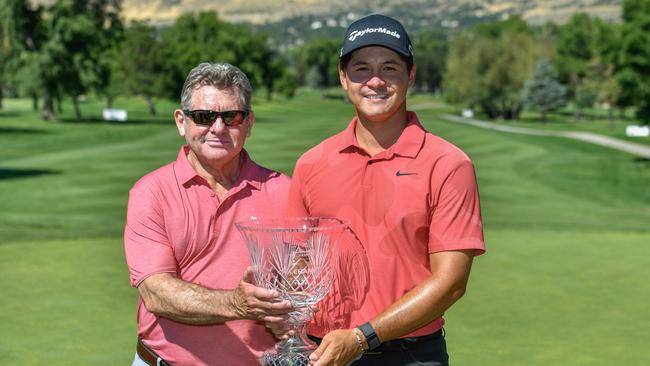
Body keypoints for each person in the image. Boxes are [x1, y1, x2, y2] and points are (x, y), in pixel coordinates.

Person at [285, 14, 486, 366]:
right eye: (361, 69)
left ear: (410, 75)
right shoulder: (311, 163)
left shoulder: (449, 164)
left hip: (409, 355)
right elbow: (296, 264)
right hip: (320, 351)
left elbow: (451, 281)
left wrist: (362, 337)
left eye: (389, 68)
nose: (375, 81)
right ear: (343, 78)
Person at [124, 62, 293, 366]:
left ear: (249, 122)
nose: (218, 128)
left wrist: (291, 318)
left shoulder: (284, 191)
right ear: (181, 121)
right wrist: (237, 304)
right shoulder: (150, 192)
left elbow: (303, 285)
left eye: (232, 117)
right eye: (203, 117)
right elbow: (156, 293)